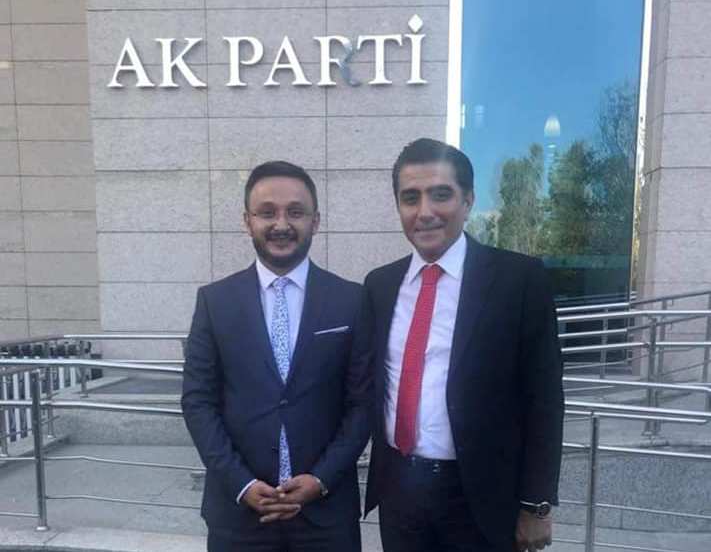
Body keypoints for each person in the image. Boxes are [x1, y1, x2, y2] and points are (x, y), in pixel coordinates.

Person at [363, 138, 564, 552]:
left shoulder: (519, 280)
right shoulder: (379, 285)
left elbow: (543, 399)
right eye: (410, 198)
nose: (425, 212)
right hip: (399, 492)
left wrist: (537, 505)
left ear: (468, 200)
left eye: (441, 195)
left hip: (482, 498)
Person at [182, 160, 372, 552]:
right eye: (267, 212)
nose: (281, 224)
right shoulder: (215, 302)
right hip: (238, 515)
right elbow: (198, 401)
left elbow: (363, 404)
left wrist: (320, 479)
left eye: (295, 212)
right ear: (247, 221)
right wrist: (242, 483)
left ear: (315, 221)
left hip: (326, 515)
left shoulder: (352, 300)